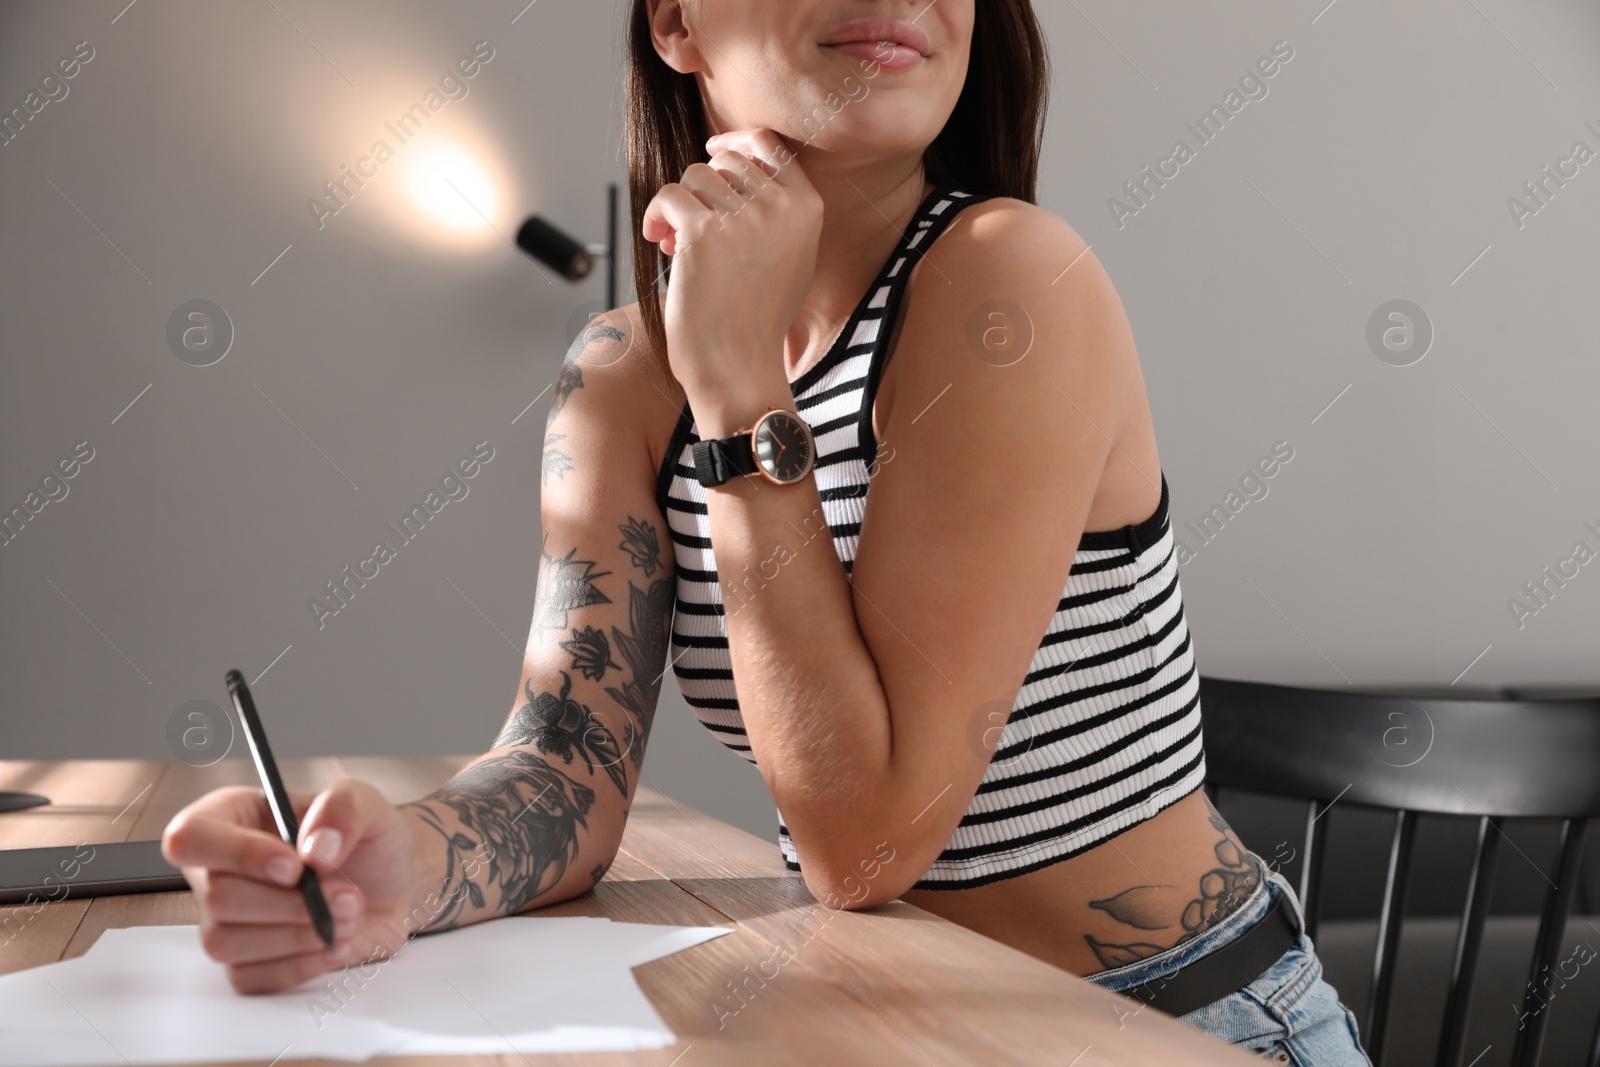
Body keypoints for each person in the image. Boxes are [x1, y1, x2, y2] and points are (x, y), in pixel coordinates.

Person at [162, 2, 1370, 1062]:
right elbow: (562, 769)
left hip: (1168, 1023)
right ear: (675, 20)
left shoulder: (1010, 284)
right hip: (898, 1024)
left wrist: (740, 386)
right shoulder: (625, 373)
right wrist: (397, 870)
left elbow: (868, 844)